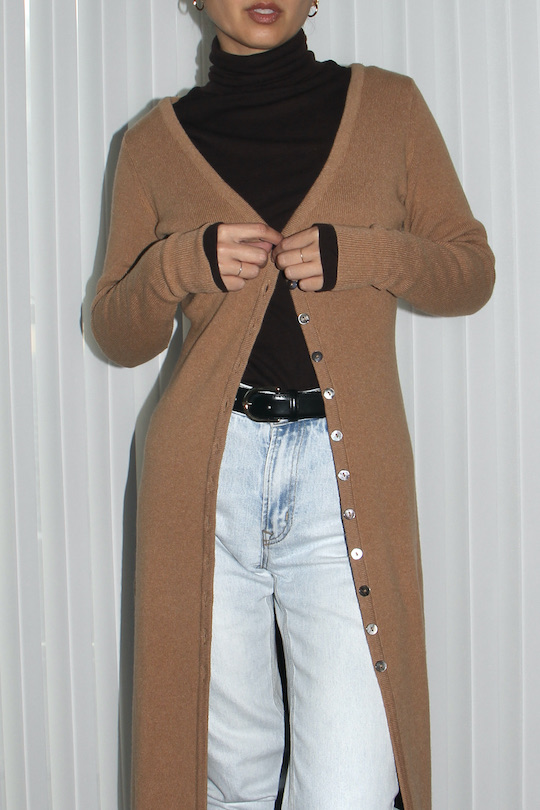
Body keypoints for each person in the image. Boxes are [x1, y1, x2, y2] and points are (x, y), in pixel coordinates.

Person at [91, 1, 495, 808]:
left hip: (339, 479)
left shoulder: (390, 108)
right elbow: (117, 333)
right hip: (203, 479)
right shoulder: (151, 144)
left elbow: (470, 274)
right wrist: (179, 263)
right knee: (230, 781)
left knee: (348, 788)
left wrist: (364, 253)